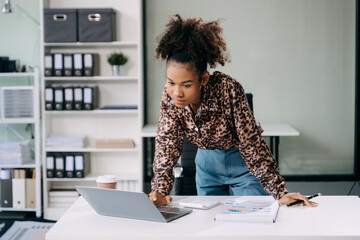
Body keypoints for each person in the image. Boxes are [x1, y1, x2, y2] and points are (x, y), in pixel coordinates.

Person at [148, 14, 318, 207]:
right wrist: (160, 190)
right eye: (171, 82)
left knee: (251, 219)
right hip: (207, 166)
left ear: (203, 79)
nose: (176, 92)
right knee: (209, 222)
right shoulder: (169, 98)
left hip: (242, 163)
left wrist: (279, 192)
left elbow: (250, 140)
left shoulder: (227, 88)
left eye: (186, 85)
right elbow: (167, 144)